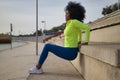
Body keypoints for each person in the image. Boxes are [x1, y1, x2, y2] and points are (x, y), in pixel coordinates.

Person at [29, 1, 90, 74]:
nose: (65, 15)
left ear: (72, 14)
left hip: (70, 52)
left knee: (47, 46)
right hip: (69, 50)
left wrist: (86, 42)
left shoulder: (74, 22)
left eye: (67, 13)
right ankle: (38, 68)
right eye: (65, 13)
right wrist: (79, 41)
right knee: (48, 46)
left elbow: (87, 28)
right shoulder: (70, 23)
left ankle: (38, 68)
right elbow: (79, 31)